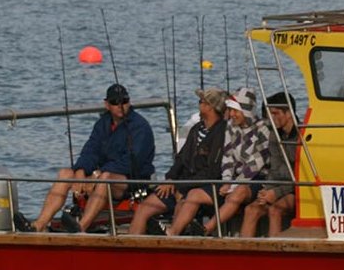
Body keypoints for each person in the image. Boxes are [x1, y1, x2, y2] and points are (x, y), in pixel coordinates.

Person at [14, 83, 155, 233]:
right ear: (107, 104)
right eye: (115, 102)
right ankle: (38, 224)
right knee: (65, 173)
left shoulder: (141, 127)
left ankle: (81, 227)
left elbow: (132, 162)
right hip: (102, 175)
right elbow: (90, 150)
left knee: (106, 178)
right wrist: (81, 170)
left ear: (129, 102)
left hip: (131, 181)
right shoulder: (102, 124)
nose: (120, 105)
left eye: (124, 101)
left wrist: (97, 175)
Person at [166, 88, 273, 236]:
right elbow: (227, 157)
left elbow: (255, 165)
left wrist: (233, 185)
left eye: (236, 110)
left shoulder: (263, 129)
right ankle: (172, 233)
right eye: (230, 110)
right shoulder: (230, 126)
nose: (232, 114)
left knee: (238, 192)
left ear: (246, 111)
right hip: (233, 180)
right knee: (194, 194)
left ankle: (206, 229)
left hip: (257, 179)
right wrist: (227, 180)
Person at [127, 87, 228, 235]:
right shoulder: (196, 129)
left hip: (203, 188)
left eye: (200, 102)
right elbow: (181, 159)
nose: (198, 105)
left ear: (209, 107)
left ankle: (170, 237)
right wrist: (170, 179)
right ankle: (132, 245)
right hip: (181, 184)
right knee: (144, 207)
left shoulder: (222, 132)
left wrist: (180, 186)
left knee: (184, 202)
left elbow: (211, 172)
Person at [240, 91, 299, 238]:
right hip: (279, 186)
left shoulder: (302, 135)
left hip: (298, 190)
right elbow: (275, 169)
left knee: (275, 210)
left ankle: (276, 255)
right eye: (270, 114)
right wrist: (267, 190)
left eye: (276, 113)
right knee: (251, 209)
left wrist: (276, 193)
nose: (271, 118)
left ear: (289, 113)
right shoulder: (274, 135)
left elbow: (300, 176)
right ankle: (241, 255)